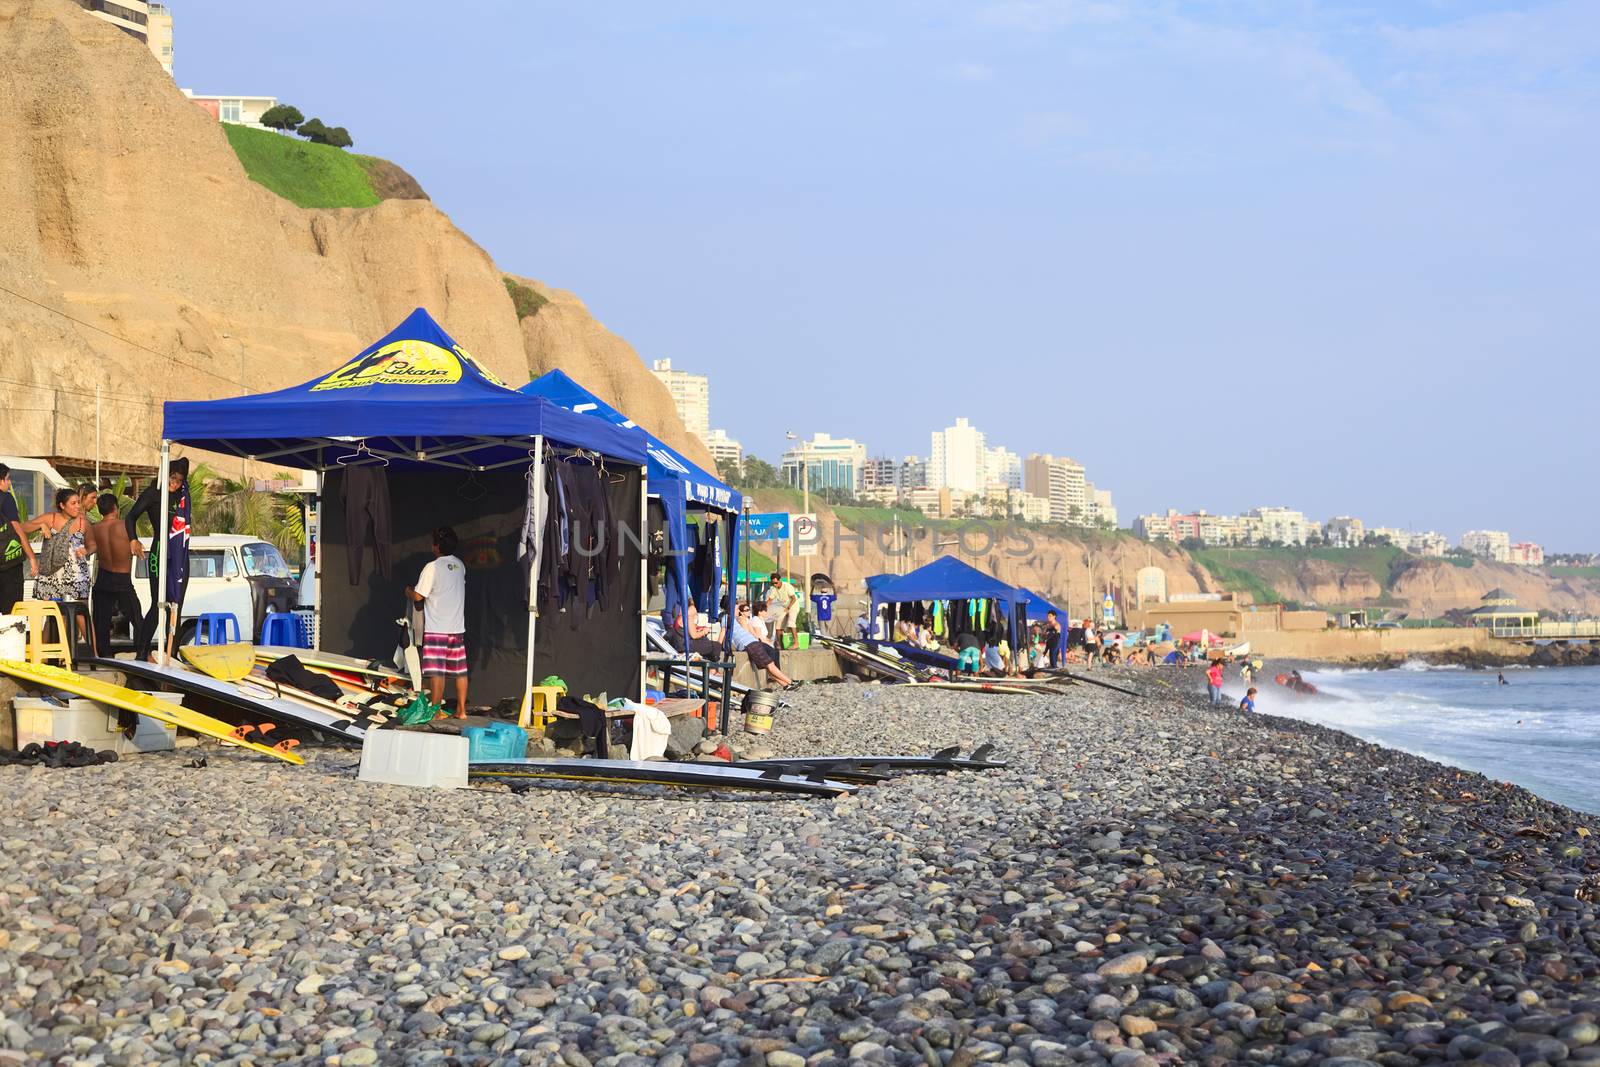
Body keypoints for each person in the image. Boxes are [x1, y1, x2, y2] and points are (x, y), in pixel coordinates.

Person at [126, 460, 191, 661]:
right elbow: (130, 517)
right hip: (159, 551)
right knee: (157, 604)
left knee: (175, 605)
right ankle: (141, 653)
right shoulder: (154, 493)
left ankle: (172, 654)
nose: (175, 483)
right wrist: (133, 540)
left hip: (179, 553)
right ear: (165, 475)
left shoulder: (183, 496)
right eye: (172, 478)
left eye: (180, 480)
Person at [406, 526, 469, 718]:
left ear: (437, 546)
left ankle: (436, 712)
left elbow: (418, 596)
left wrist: (407, 590)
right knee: (460, 671)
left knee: (437, 672)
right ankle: (462, 711)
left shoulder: (432, 567)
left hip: (437, 629)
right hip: (457, 628)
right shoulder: (460, 565)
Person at [26, 488, 95, 654]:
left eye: (78, 502)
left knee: (81, 613)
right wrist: (40, 526)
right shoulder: (50, 518)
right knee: (51, 615)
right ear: (62, 505)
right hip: (51, 575)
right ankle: (43, 656)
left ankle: (95, 654)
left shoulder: (83, 522)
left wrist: (87, 551)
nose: (78, 506)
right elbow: (21, 528)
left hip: (76, 575)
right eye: (74, 503)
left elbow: (93, 545)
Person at [88, 492, 144, 657]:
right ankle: (141, 652)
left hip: (103, 578)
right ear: (115, 508)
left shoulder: (94, 528)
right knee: (136, 618)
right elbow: (137, 549)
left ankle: (103, 655)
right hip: (122, 578)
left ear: (100, 510)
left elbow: (90, 548)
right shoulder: (125, 526)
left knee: (101, 622)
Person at [729, 602, 796, 689]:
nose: (748, 612)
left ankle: (785, 684)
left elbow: (752, 634)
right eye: (744, 610)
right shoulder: (740, 620)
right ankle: (790, 682)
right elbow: (748, 633)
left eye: (748, 610)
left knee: (771, 659)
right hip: (750, 644)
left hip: (753, 642)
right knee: (770, 663)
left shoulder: (745, 620)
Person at [0, 464, 39, 613]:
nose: (10, 483)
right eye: (8, 479)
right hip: (9, 563)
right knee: (12, 610)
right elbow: (17, 529)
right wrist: (32, 558)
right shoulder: (6, 498)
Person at [767, 576, 802, 647]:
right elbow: (769, 601)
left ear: (780, 580)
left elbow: (794, 598)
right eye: (773, 583)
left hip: (793, 605)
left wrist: (788, 608)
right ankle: (780, 644)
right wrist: (763, 609)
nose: (774, 585)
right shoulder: (774, 589)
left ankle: (796, 643)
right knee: (778, 625)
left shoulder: (787, 586)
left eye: (776, 583)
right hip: (784, 606)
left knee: (791, 623)